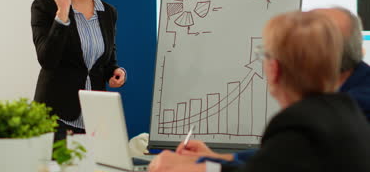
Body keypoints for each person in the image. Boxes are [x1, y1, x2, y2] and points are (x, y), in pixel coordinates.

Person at [148, 10, 370, 172]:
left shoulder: (302, 123)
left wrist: (199, 167)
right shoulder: (344, 113)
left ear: (274, 69)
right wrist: (209, 162)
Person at [31, 0, 126, 140]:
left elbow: (108, 59)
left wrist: (116, 71)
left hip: (95, 117)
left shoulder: (108, 12)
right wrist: (63, 11)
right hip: (55, 117)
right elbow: (47, 59)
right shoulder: (44, 7)